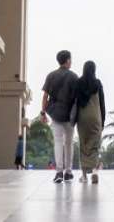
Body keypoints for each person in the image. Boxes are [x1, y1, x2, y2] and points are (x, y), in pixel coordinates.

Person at [41, 49, 79, 183]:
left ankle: (58, 172)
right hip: (69, 115)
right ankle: (68, 171)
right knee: (69, 143)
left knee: (58, 142)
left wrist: (43, 113)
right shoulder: (74, 77)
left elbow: (45, 96)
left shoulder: (51, 75)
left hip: (55, 113)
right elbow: (77, 99)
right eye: (71, 59)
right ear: (68, 60)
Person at [73, 60, 106, 184]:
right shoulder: (97, 83)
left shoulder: (78, 83)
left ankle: (84, 176)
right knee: (94, 146)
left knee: (83, 145)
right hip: (95, 117)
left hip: (82, 118)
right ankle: (94, 171)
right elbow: (102, 103)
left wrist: (74, 119)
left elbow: (75, 101)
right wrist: (102, 120)